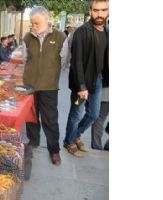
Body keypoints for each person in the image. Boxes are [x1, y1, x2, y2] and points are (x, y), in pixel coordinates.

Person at [22, 6, 69, 167]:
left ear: (47, 20)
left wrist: (50, 75)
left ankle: (54, 150)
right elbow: (25, 59)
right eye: (32, 23)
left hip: (49, 86)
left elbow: (63, 62)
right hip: (30, 86)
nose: (34, 26)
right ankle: (33, 141)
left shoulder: (60, 37)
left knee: (50, 120)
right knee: (32, 117)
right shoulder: (28, 37)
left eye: (37, 23)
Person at [64, 0, 109, 157]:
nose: (99, 14)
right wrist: (81, 86)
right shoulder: (82, 31)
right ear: (90, 10)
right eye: (96, 10)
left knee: (94, 114)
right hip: (81, 82)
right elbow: (77, 62)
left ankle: (75, 135)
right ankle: (68, 142)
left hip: (98, 80)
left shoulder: (107, 31)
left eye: (103, 10)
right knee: (76, 114)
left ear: (108, 11)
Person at [91, 86, 109, 150]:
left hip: (106, 92)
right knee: (99, 119)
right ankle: (97, 145)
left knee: (99, 119)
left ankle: (97, 145)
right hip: (106, 93)